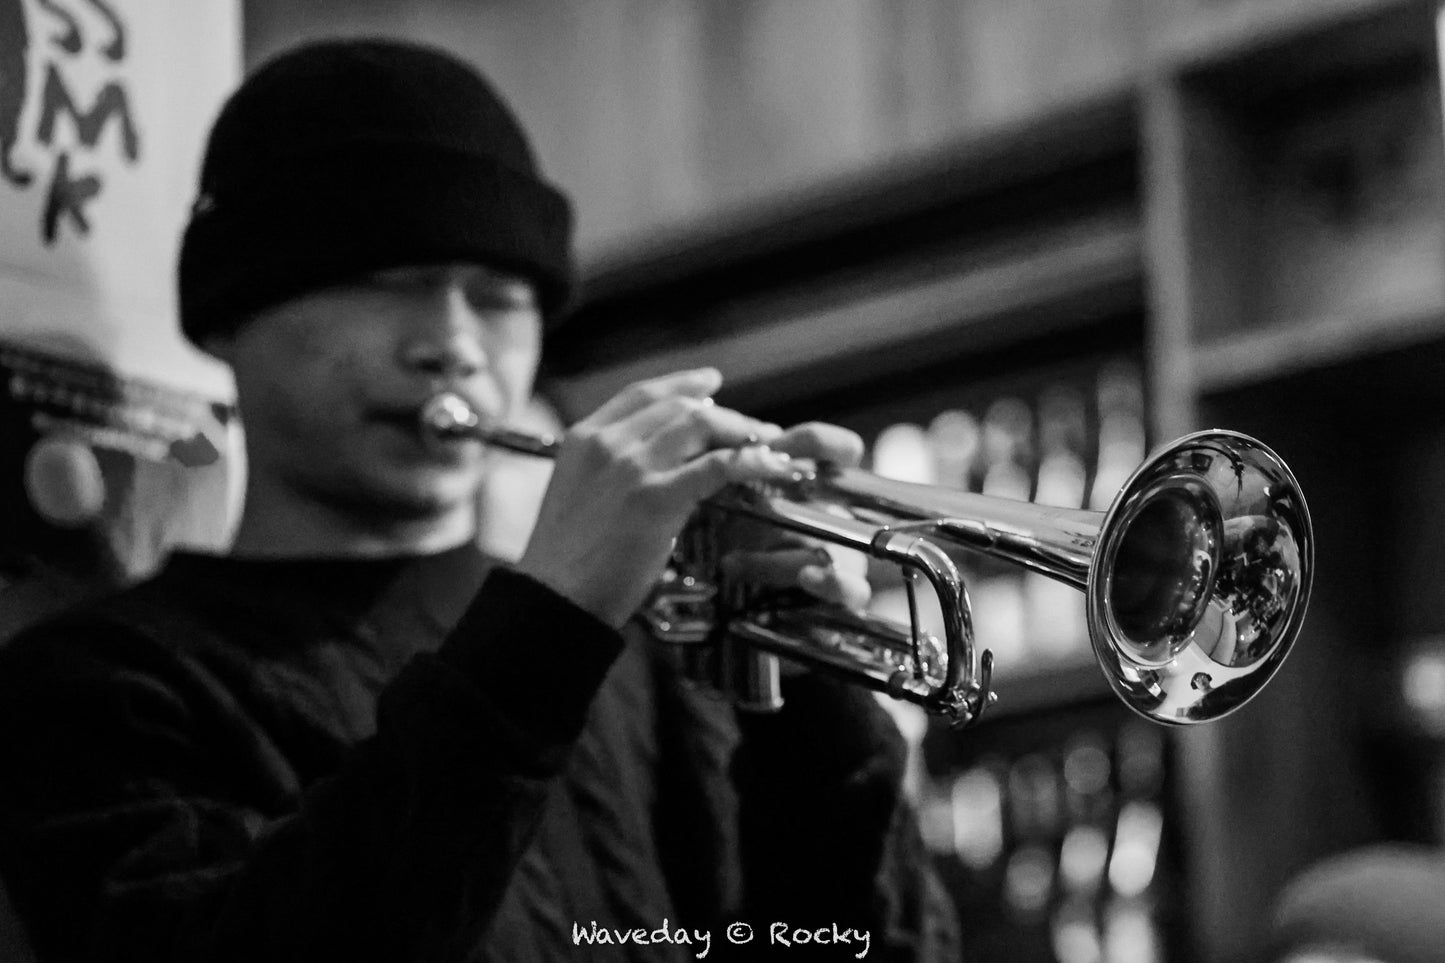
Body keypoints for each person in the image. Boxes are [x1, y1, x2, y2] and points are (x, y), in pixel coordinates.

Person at [0, 38, 957, 962]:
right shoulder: (98, 687)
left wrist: (815, 709)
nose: (453, 343)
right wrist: (550, 619)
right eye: (387, 282)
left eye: (499, 297)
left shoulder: (647, 661)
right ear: (229, 315)